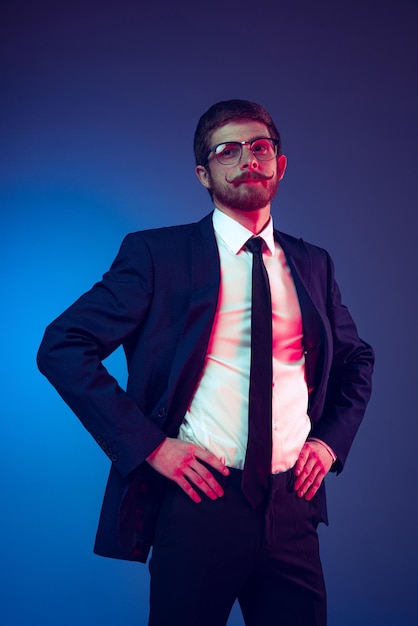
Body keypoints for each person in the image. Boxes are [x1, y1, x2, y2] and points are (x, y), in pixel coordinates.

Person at [37, 99, 374, 626]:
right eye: (228, 150)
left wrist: (330, 443)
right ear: (204, 173)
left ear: (279, 164)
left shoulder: (312, 263)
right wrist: (149, 446)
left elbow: (356, 360)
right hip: (201, 504)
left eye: (260, 148)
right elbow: (63, 345)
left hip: (292, 509)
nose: (248, 159)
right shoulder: (158, 256)